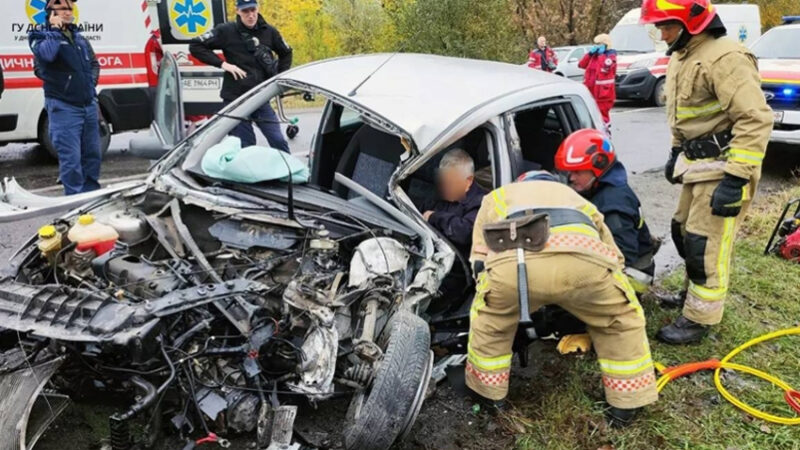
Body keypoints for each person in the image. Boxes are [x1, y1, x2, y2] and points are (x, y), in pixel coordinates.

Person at [466, 170, 657, 427]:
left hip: (515, 265)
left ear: (520, 184)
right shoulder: (576, 198)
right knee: (620, 321)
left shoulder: (498, 196)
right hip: (583, 259)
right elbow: (615, 254)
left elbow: (479, 256)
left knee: (491, 325)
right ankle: (626, 404)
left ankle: (491, 400)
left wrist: (491, 291)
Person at [639, 0, 772, 344]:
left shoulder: (726, 58)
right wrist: (674, 152)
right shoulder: (682, 56)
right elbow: (682, 115)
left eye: (666, 26)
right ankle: (691, 297)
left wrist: (736, 178)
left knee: (706, 244)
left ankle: (700, 318)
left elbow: (755, 119)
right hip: (696, 166)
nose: (662, 33)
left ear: (692, 23)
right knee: (684, 234)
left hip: (725, 166)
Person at [554, 129, 658, 292]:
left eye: (577, 172)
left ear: (597, 168)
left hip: (631, 276)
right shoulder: (599, 188)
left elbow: (621, 257)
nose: (571, 178)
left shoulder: (613, 205)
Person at [189, 0, 293, 151]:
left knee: (277, 140)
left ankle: (289, 172)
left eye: (253, 10)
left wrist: (279, 77)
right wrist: (223, 64)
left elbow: (286, 52)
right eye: (245, 11)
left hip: (260, 97)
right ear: (237, 11)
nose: (250, 15)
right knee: (245, 145)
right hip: (235, 99)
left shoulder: (269, 31)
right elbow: (196, 45)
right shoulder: (226, 31)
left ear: (258, 9)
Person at [29, 0, 102, 196]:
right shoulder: (41, 36)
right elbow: (46, 57)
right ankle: (75, 204)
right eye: (62, 9)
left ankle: (92, 198)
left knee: (93, 156)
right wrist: (54, 30)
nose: (68, 12)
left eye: (69, 9)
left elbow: (94, 64)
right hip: (64, 108)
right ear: (51, 13)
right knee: (71, 161)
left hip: (87, 106)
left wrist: (89, 85)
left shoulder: (80, 39)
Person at [422, 149, 488, 257]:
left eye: (451, 183)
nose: (445, 188)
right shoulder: (440, 196)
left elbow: (464, 233)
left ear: (469, 181)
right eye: (443, 182)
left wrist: (434, 217)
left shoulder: (482, 202)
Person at [579, 34, 617, 133]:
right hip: (591, 91)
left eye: (598, 44)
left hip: (603, 93)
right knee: (592, 115)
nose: (595, 46)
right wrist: (589, 54)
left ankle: (606, 134)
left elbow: (604, 69)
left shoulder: (610, 57)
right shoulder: (594, 56)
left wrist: (601, 55)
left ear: (605, 44)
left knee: (602, 116)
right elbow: (581, 64)